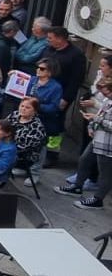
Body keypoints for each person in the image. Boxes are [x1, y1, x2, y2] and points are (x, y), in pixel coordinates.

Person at [54, 78, 112, 209]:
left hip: (108, 145)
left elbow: (103, 120)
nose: (105, 95)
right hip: (98, 138)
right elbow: (100, 115)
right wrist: (91, 125)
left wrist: (96, 119)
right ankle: (77, 186)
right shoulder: (107, 101)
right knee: (84, 160)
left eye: (107, 92)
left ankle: (98, 199)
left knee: (105, 172)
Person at [5, 97, 47, 187]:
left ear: (34, 111)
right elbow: (3, 127)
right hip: (9, 144)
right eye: (22, 106)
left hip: (27, 152)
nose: (23, 109)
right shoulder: (14, 114)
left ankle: (34, 173)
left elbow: (26, 147)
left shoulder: (37, 126)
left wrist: (6, 146)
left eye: (27, 107)